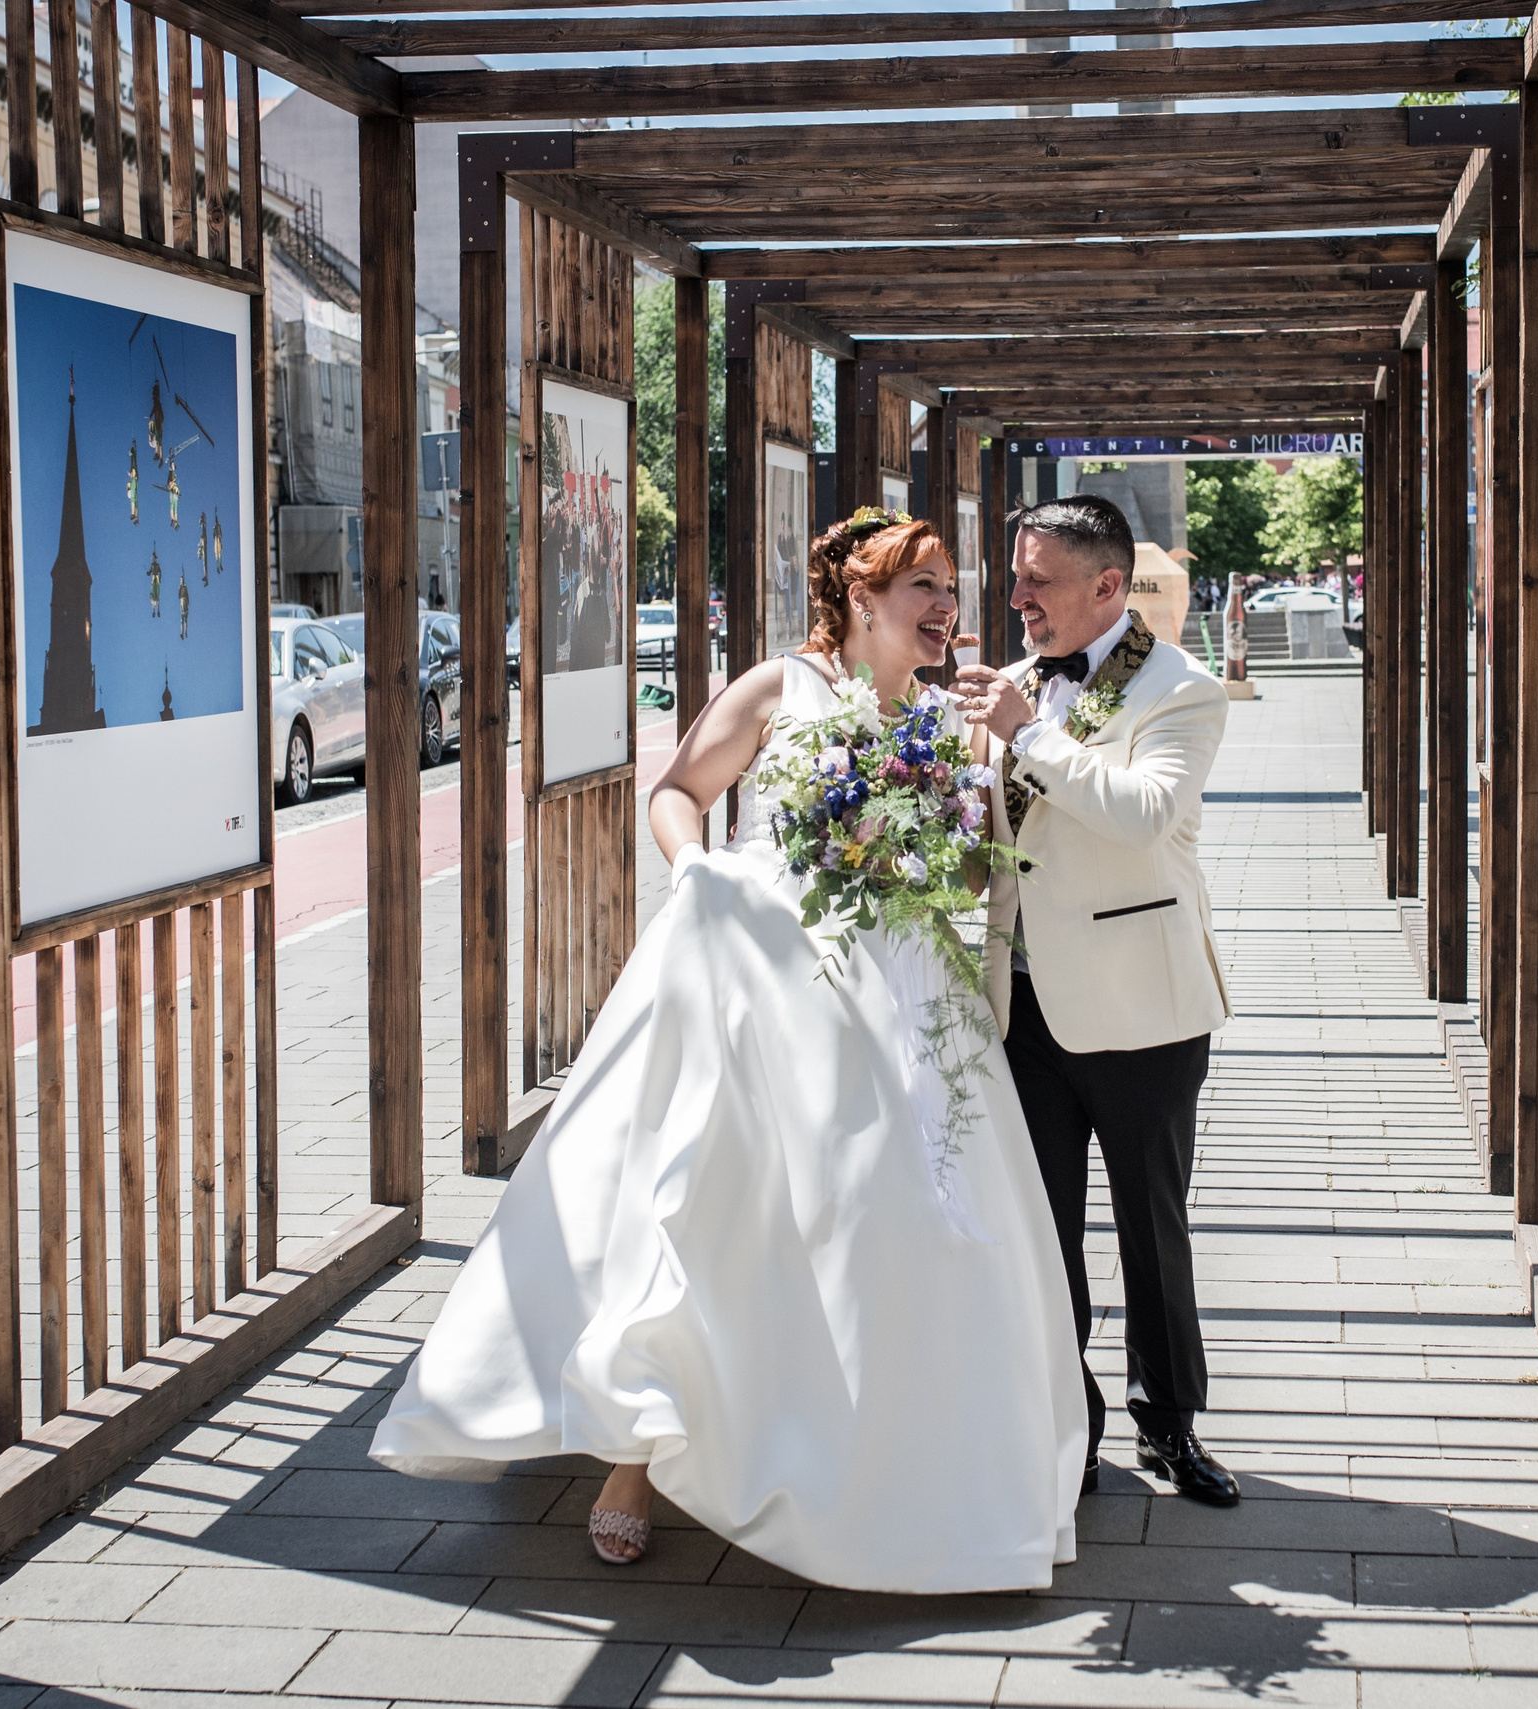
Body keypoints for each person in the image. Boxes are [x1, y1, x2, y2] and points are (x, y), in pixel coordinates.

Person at [370, 513, 1088, 1592]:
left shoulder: (953, 719)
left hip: (905, 989)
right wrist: (695, 870)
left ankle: (876, 1455)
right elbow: (675, 795)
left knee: (891, 1223)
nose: (949, 608)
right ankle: (633, 1459)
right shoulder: (776, 688)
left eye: (953, 589)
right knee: (707, 1195)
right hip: (763, 970)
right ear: (859, 590)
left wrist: (943, 828)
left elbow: (980, 879)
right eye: (927, 587)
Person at [950, 495, 1240, 1508]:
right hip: (1021, 1006)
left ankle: (1171, 1421)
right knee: (1044, 1227)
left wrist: (1027, 734)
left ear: (1108, 587)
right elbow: (1000, 847)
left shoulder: (1182, 689)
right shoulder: (1013, 689)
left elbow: (1142, 816)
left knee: (1151, 1225)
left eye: (1038, 579)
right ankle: (1065, 1422)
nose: (1016, 595)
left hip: (1141, 1006)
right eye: (1016, 574)